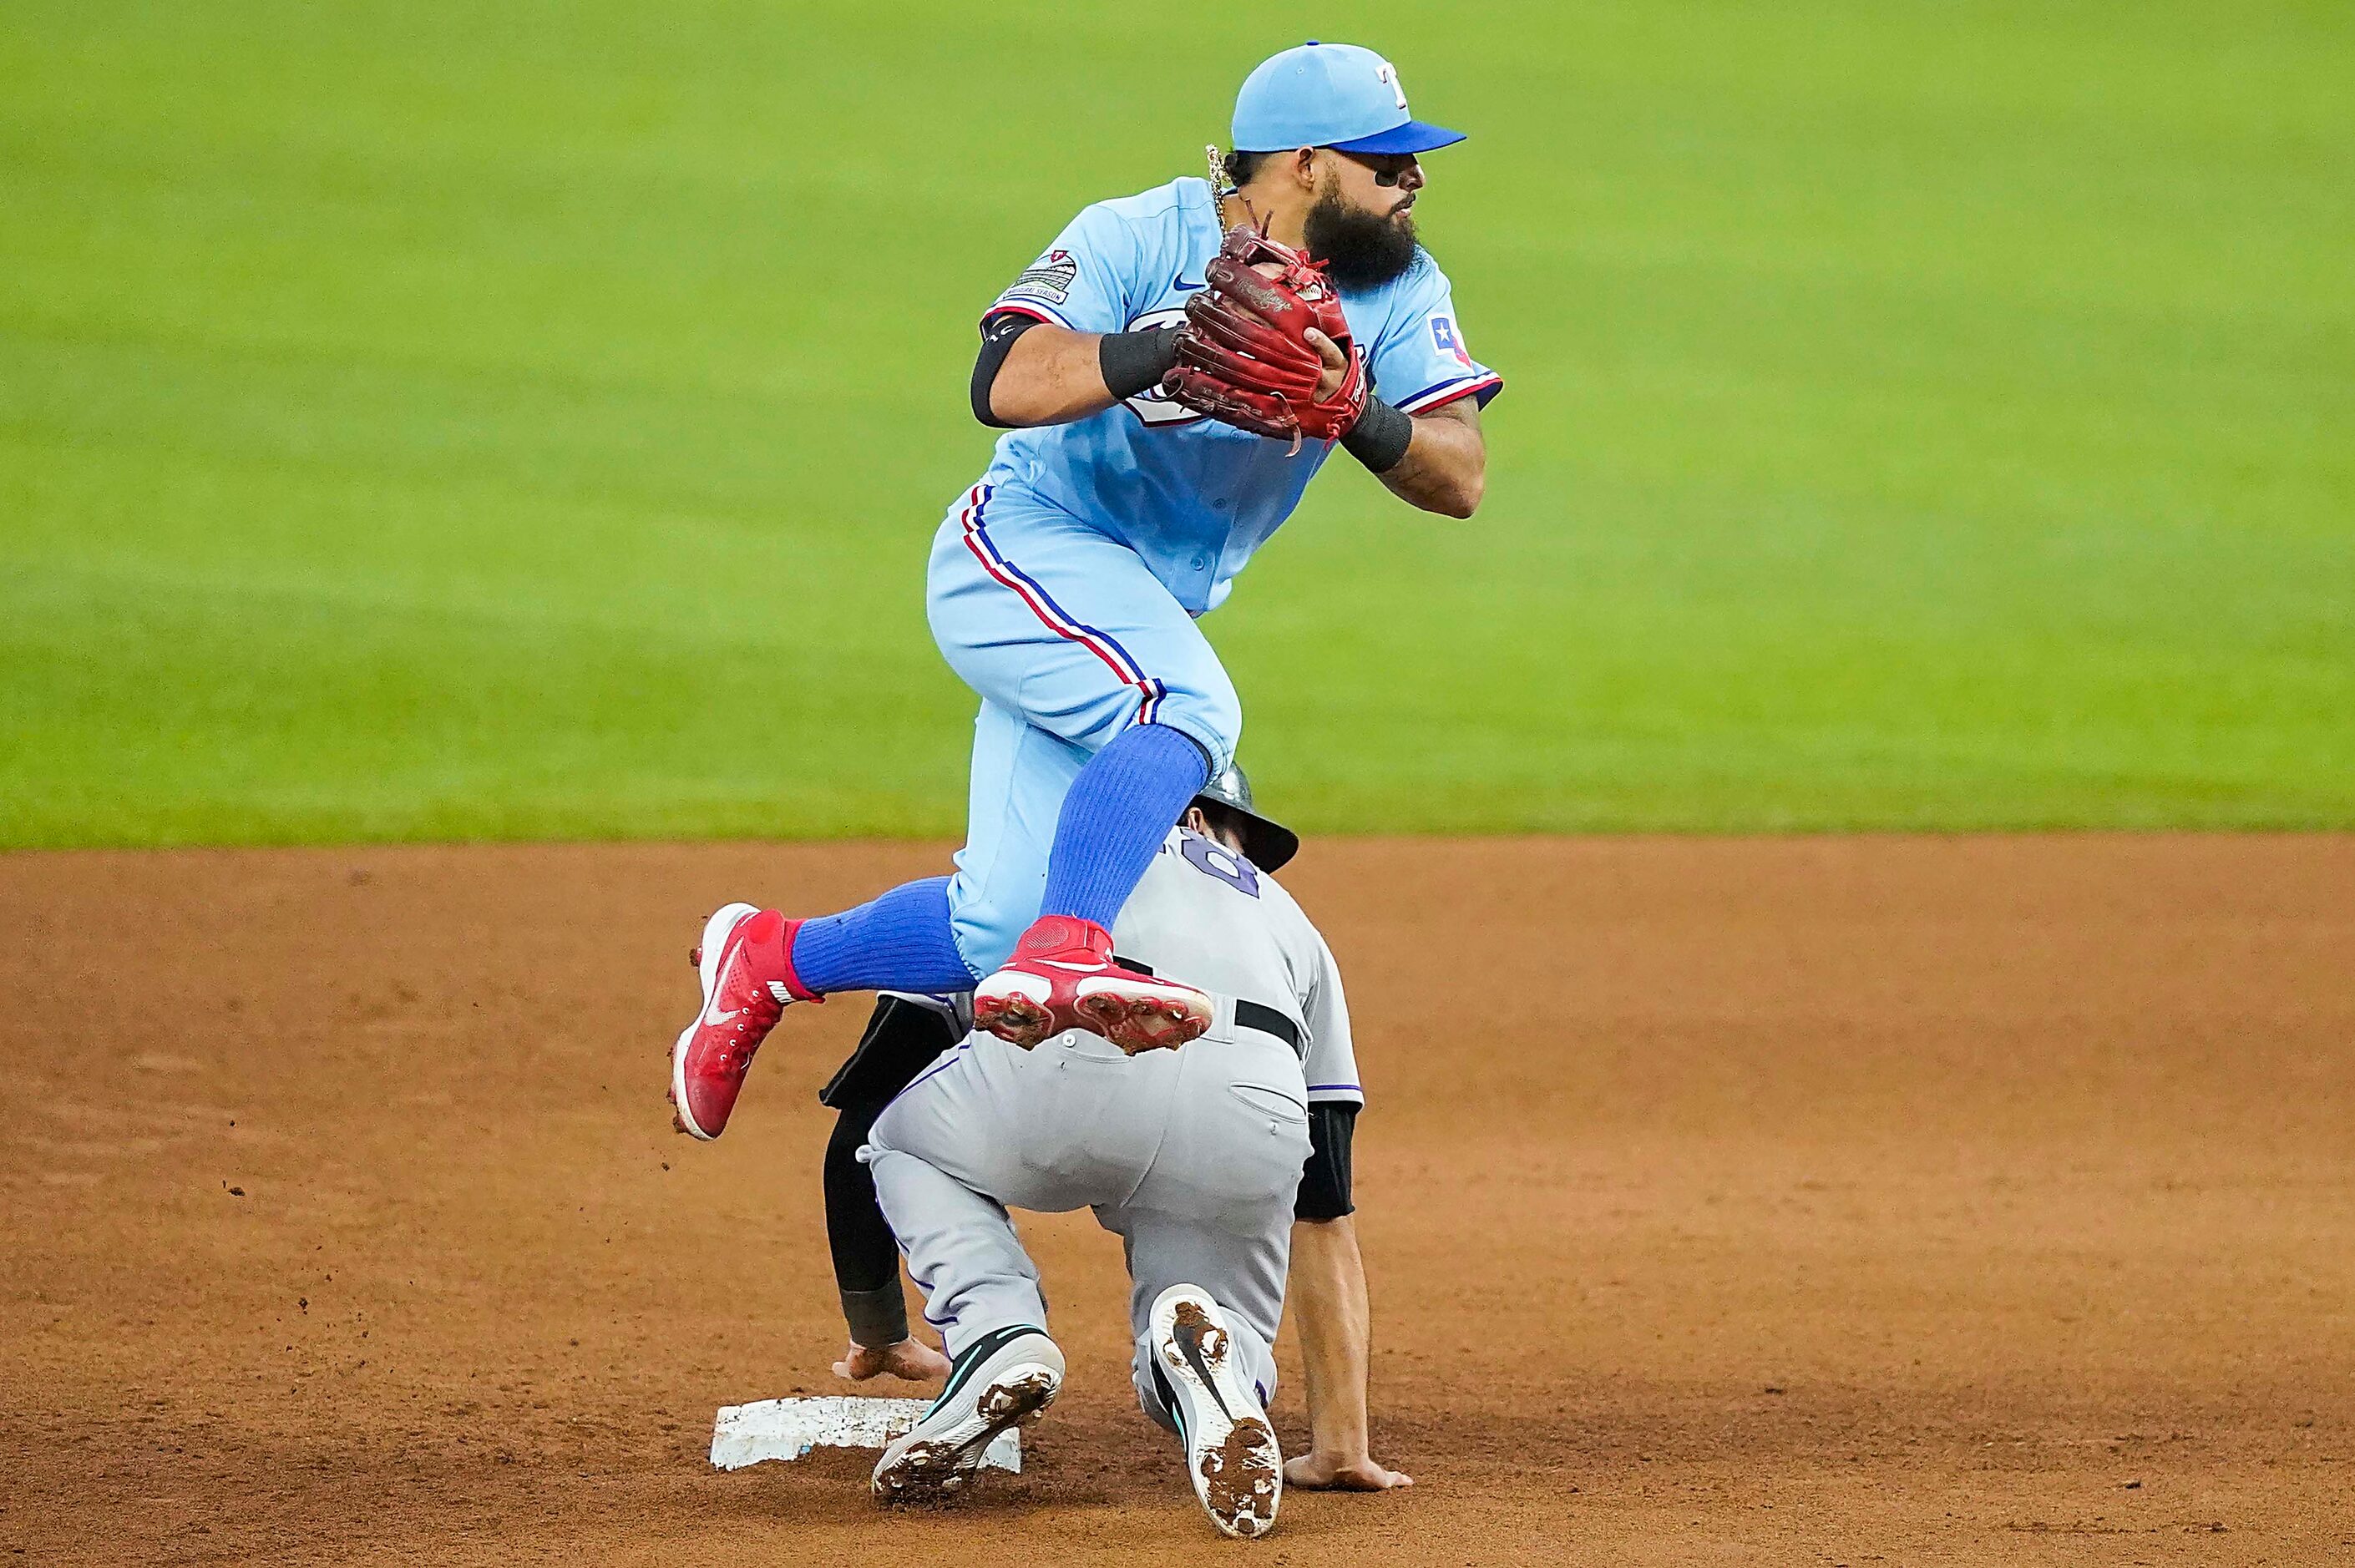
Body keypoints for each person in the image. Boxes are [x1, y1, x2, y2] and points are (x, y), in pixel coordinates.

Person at [666, 41, 1500, 1143]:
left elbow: (1460, 475)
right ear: (1304, 160)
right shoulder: (1137, 233)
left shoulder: (1401, 289)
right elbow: (1002, 382)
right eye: (1387, 158)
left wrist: (1357, 411)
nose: (1414, 179)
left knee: (988, 928)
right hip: (1024, 550)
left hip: (1137, 608)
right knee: (1188, 711)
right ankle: (1073, 948)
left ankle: (767, 957)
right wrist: (1165, 344)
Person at [843, 768, 1404, 1537]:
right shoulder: (1292, 923)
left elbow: (863, 1114)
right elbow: (1325, 1207)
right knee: (1214, 1300)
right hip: (1251, 1108)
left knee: (901, 1139)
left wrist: (877, 1330)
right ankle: (1216, 1343)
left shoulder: (1024, 870)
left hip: (1071, 1069)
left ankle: (996, 1329)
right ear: (1203, 821)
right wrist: (1341, 1449)